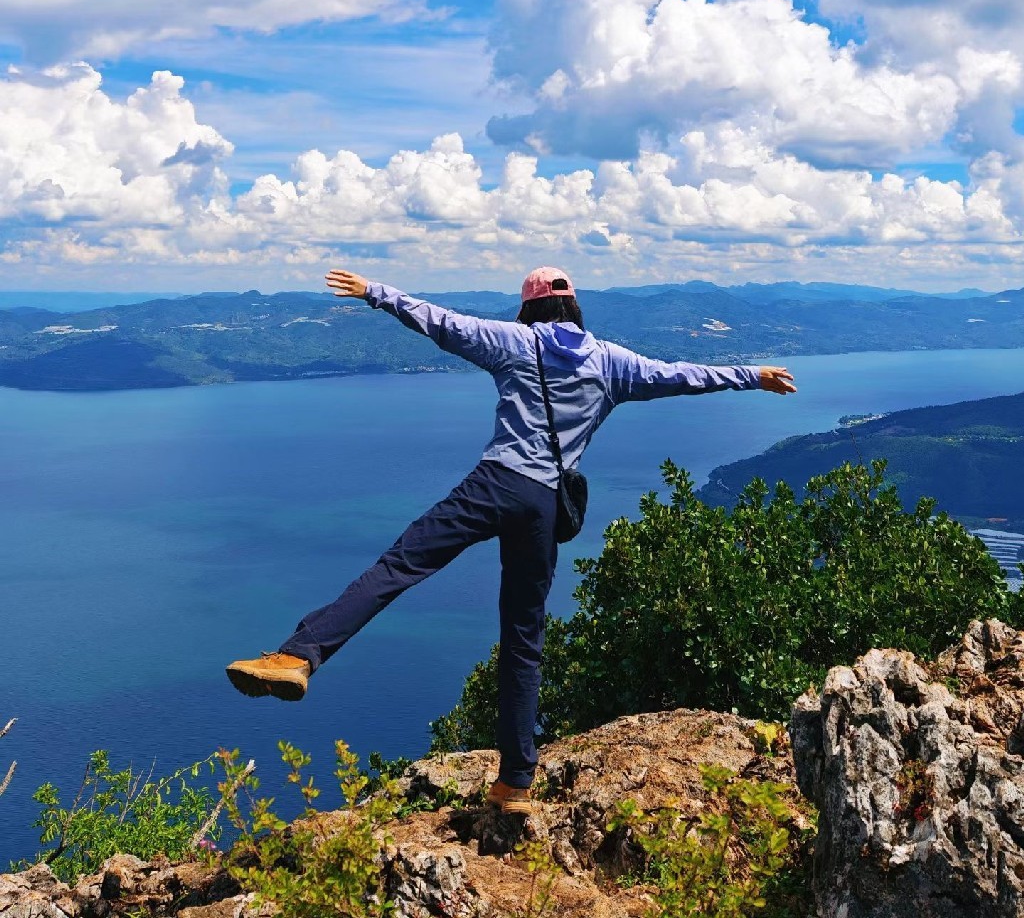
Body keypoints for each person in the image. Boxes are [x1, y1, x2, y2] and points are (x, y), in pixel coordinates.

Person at [226, 266, 796, 815]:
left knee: (400, 565)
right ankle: (515, 781)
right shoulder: (613, 362)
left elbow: (441, 322)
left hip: (495, 485)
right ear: (573, 307)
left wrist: (375, 291)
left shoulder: (514, 343)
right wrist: (753, 375)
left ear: (529, 309)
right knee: (524, 638)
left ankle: (298, 656)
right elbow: (682, 375)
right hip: (545, 506)